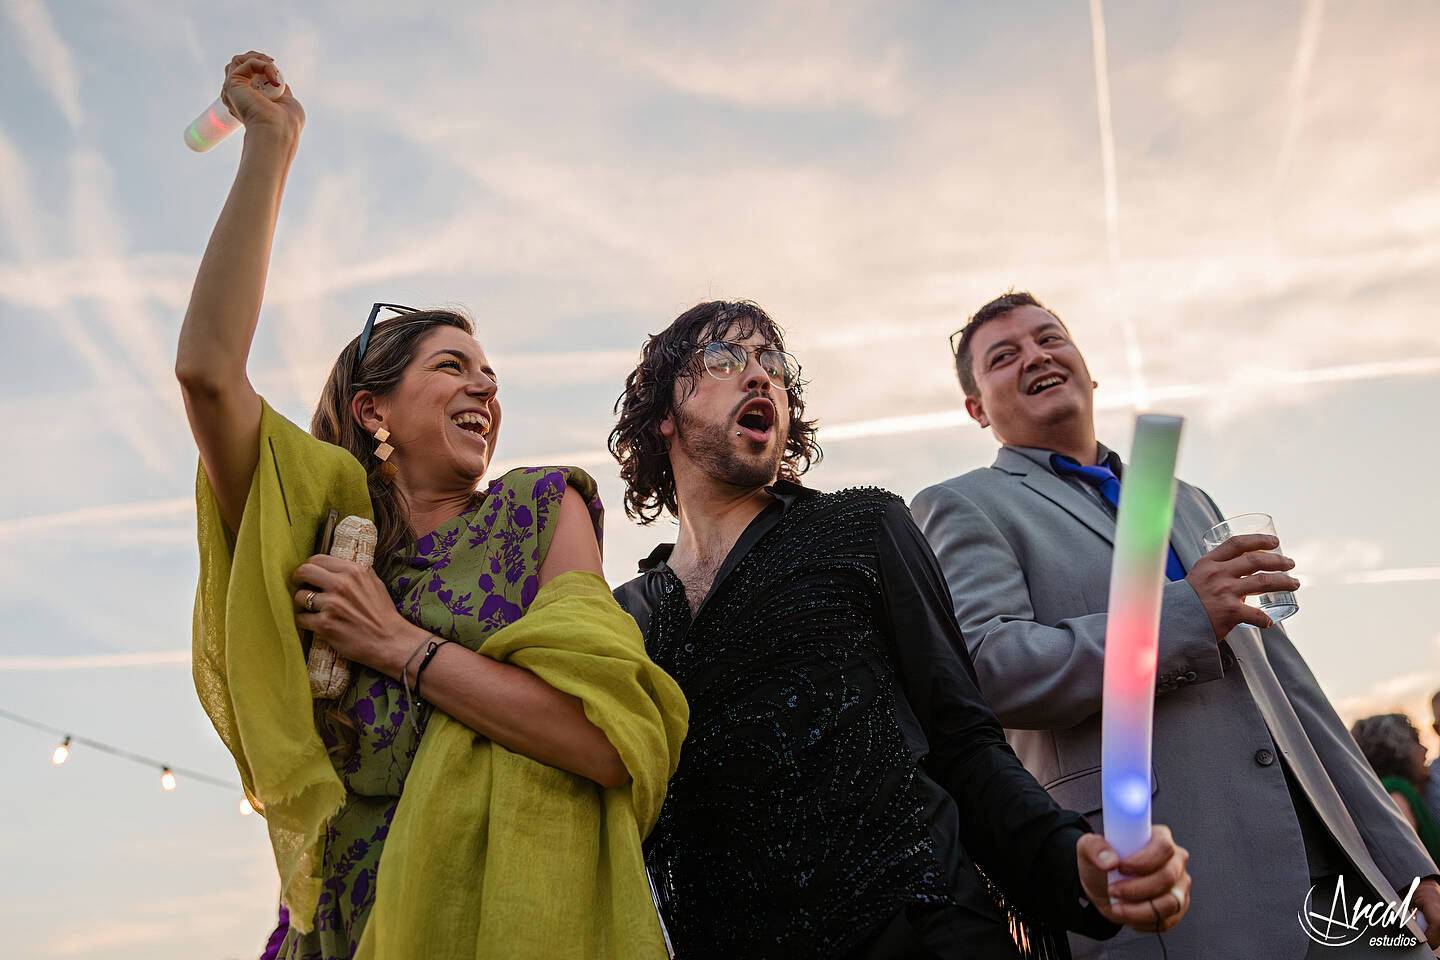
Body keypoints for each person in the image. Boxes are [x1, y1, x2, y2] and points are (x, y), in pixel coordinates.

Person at [178, 52, 686, 960]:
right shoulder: (321, 530)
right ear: (373, 410)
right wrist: (272, 144)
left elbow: (606, 740)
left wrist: (394, 645)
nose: (485, 389)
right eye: (452, 366)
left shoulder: (539, 508)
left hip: (502, 926)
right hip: (334, 930)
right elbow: (208, 374)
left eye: (491, 376)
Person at [608, 299, 1192, 960]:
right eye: (724, 359)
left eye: (774, 363)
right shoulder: (629, 616)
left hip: (922, 936)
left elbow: (964, 740)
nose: (759, 376)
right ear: (662, 414)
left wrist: (1069, 862)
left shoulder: (863, 526)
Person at [911, 290, 1440, 957]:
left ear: (1087, 366)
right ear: (976, 409)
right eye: (1003, 356)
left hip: (1338, 882)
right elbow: (992, 669)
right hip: (1177, 879)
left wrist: (1407, 863)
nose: (1036, 357)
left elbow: (1294, 692)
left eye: (1050, 338)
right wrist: (1186, 614)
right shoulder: (961, 506)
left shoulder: (1185, 499)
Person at [1352, 715, 1440, 864]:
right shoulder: (1396, 791)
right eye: (1416, 741)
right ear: (1399, 750)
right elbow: (1408, 861)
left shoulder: (1382, 789)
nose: (1425, 749)